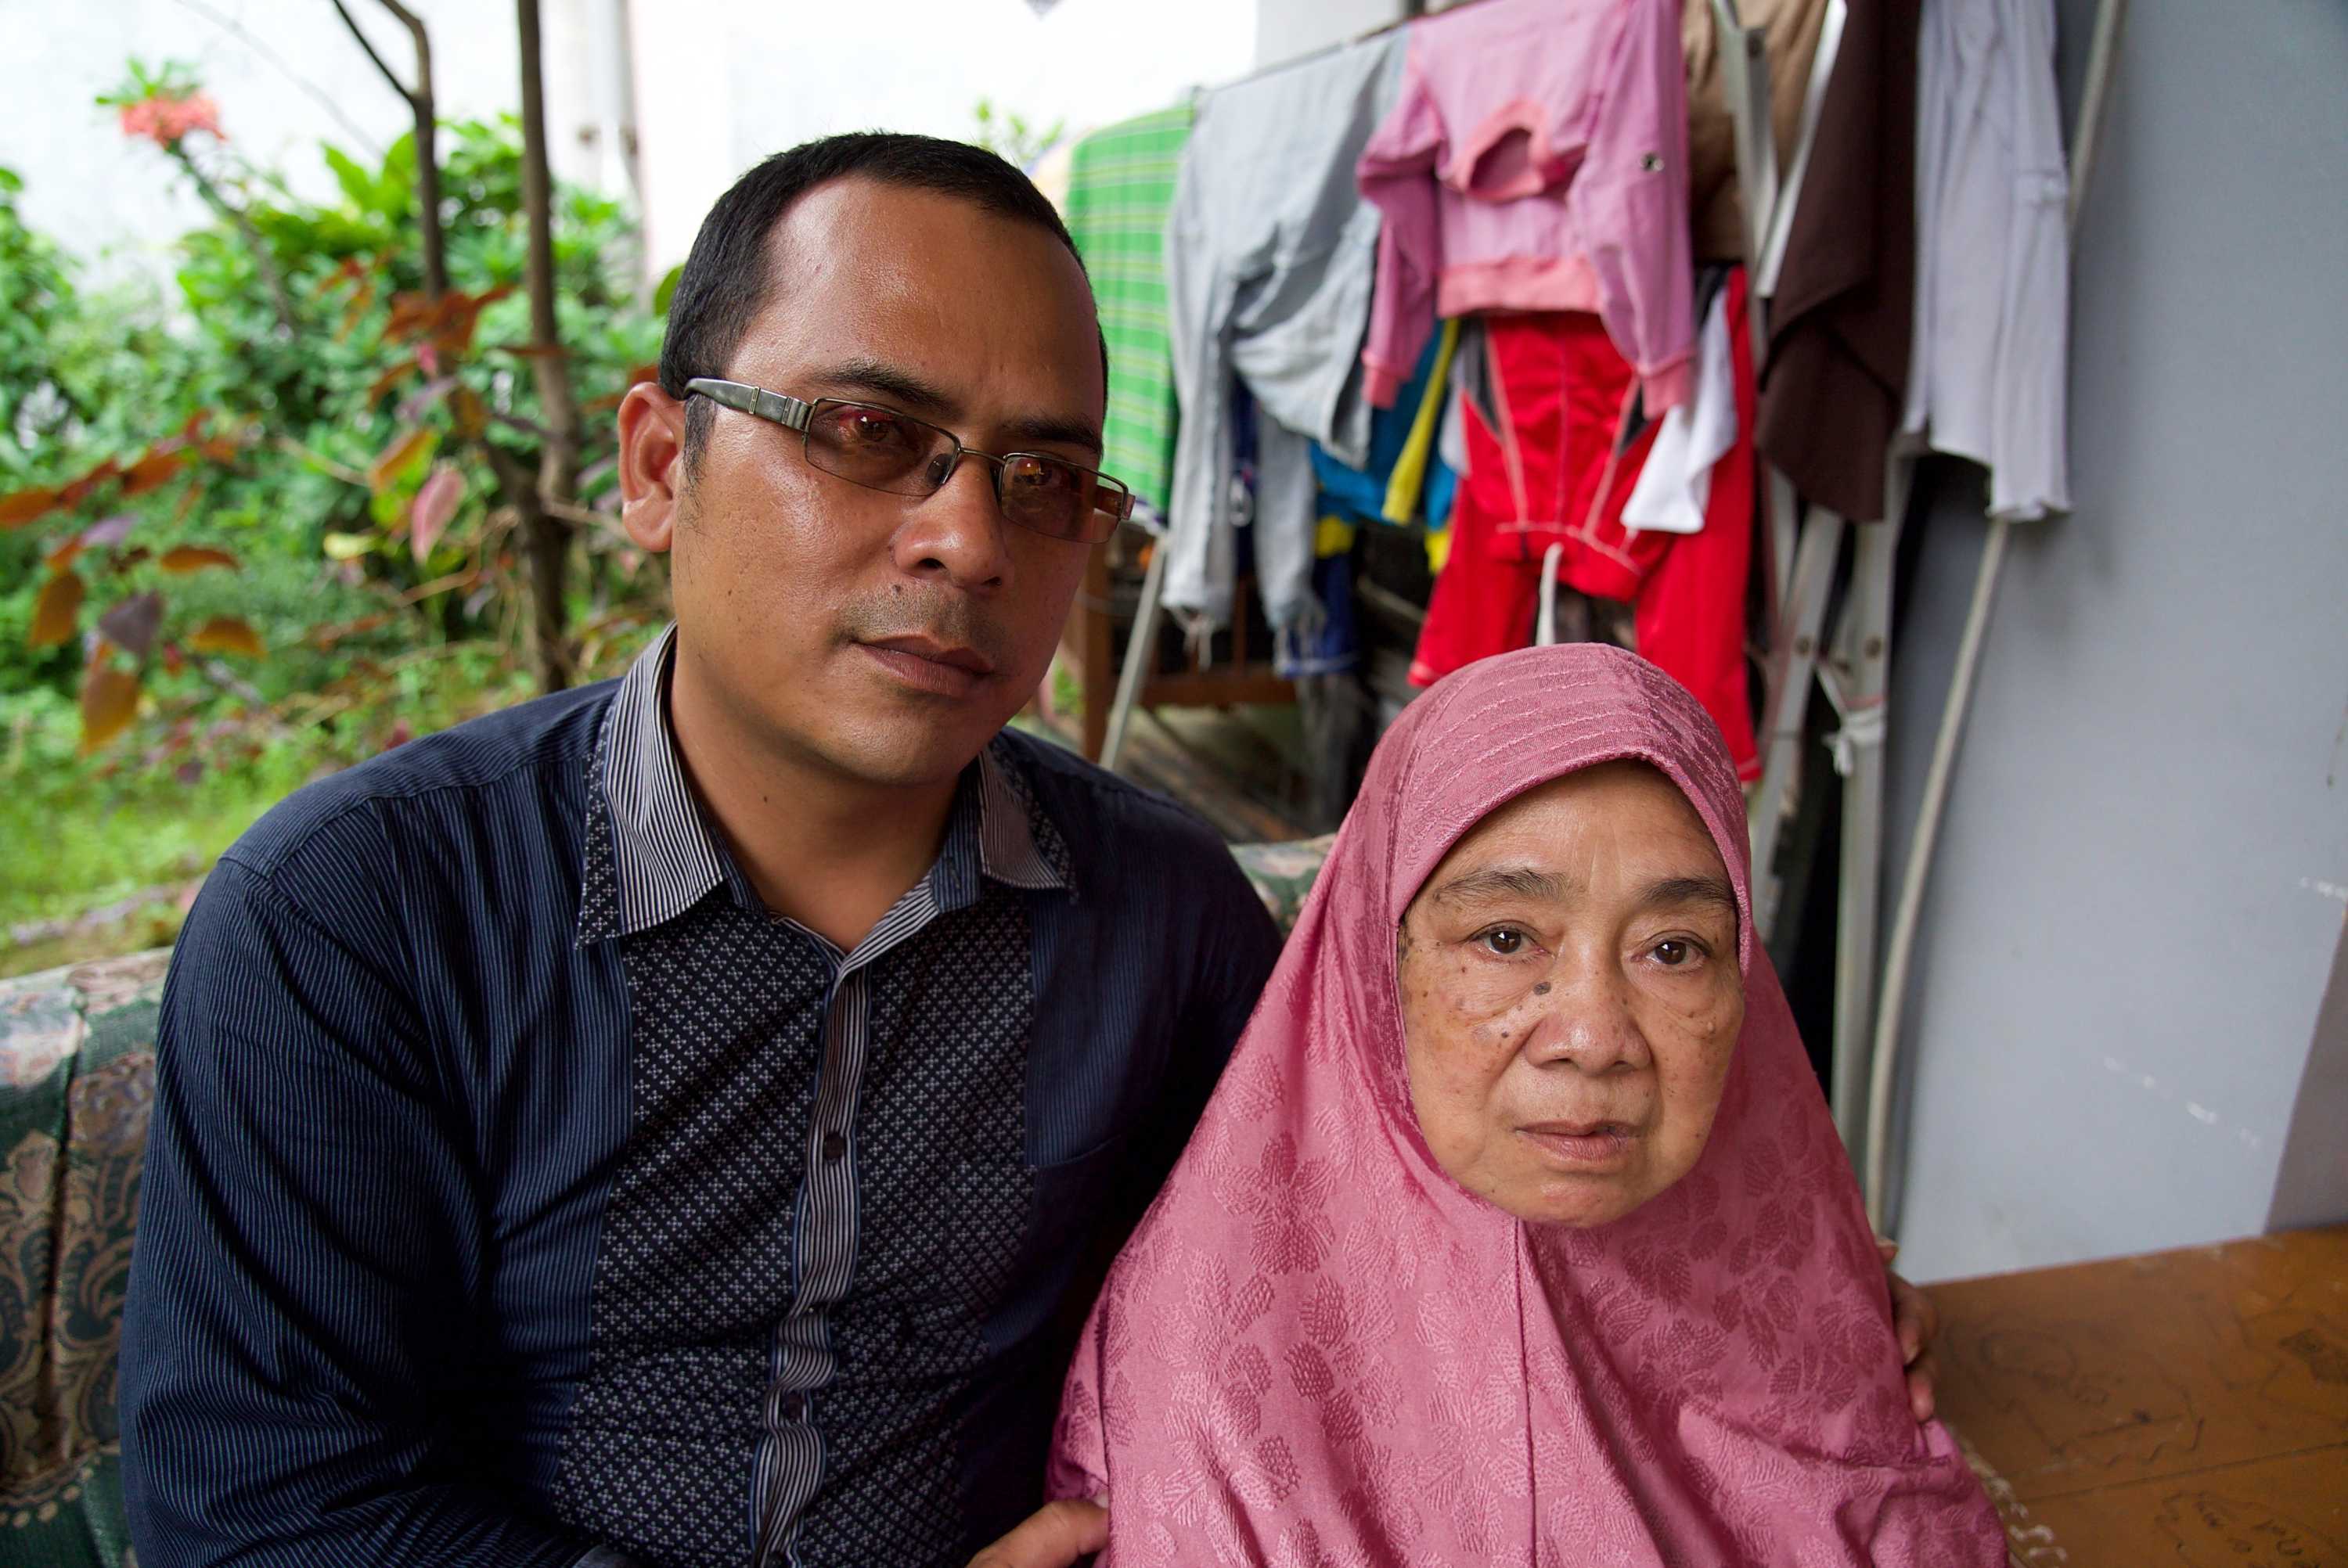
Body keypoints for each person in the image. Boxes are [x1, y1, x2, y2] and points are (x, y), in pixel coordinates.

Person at [120, 133, 1938, 1568]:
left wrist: (1777, 1306)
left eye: (1044, 476)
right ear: (661, 462)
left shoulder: (1163, 924)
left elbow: (1403, 1196)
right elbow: (270, 1513)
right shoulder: (359, 923)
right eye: (868, 432)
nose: (969, 538)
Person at [1049, 643, 2003, 1564]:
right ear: (1378, 969)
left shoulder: (1800, 1287)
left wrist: (1837, 1308)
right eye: (1505, 938)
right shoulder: (1209, 1385)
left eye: (1674, 949)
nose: (1593, 1036)